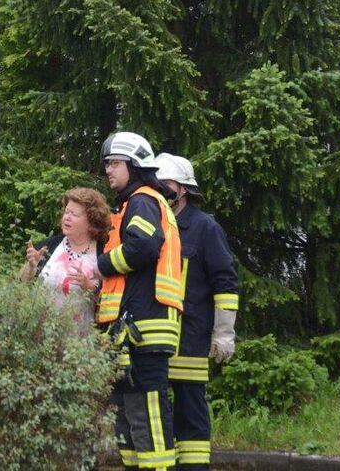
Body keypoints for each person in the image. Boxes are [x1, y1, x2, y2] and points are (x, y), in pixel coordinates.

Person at [89, 131, 183, 471]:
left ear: (135, 165)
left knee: (147, 416)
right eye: (107, 164)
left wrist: (98, 267)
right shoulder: (135, 203)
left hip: (145, 326)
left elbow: (142, 247)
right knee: (129, 418)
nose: (108, 171)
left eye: (114, 163)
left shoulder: (144, 200)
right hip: (133, 329)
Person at [155, 153, 239, 471]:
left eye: (167, 183)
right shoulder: (152, 225)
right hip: (154, 336)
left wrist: (224, 332)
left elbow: (225, 281)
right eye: (156, 183)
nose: (161, 189)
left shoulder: (205, 228)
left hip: (190, 336)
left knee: (190, 410)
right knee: (155, 411)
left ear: (184, 189)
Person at [21, 187, 111, 329]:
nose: (67, 217)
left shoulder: (104, 252)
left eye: (74, 214)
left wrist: (89, 286)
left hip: (80, 343)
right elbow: (23, 284)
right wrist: (32, 266)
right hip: (41, 335)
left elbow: (111, 301)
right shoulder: (50, 245)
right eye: (66, 212)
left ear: (91, 221)